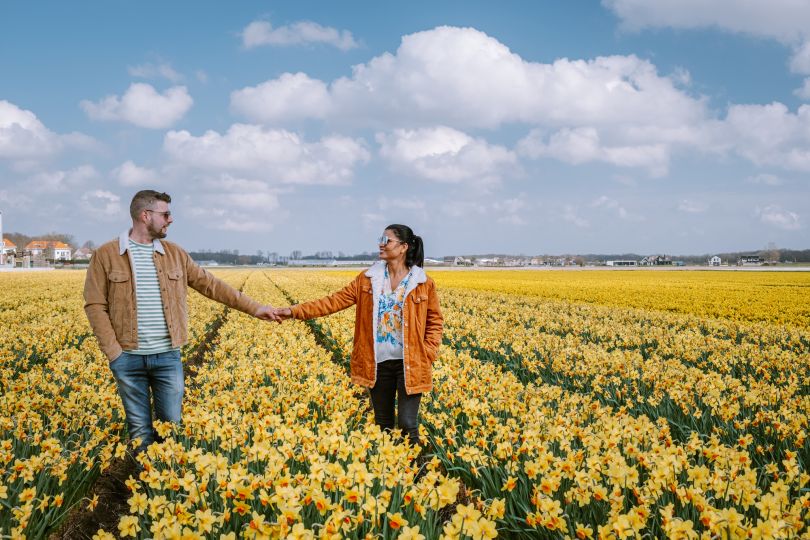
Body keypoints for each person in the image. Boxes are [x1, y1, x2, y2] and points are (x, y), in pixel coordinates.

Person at [83, 190, 280, 456]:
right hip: (128, 357)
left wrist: (255, 308)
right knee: (140, 433)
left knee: (172, 429)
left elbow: (211, 285)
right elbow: (95, 304)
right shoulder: (105, 255)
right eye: (165, 214)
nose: (170, 220)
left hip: (167, 356)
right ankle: (146, 486)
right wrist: (114, 353)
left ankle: (167, 484)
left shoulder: (175, 254)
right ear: (145, 216)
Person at [274, 224, 443, 446]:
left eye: (386, 240)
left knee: (406, 423)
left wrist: (427, 352)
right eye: (380, 238)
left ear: (403, 247)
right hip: (377, 363)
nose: (381, 244)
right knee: (382, 425)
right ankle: (390, 474)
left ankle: (415, 475)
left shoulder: (422, 283)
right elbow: (332, 302)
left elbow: (435, 321)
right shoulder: (367, 280)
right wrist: (293, 311)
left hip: (410, 363)